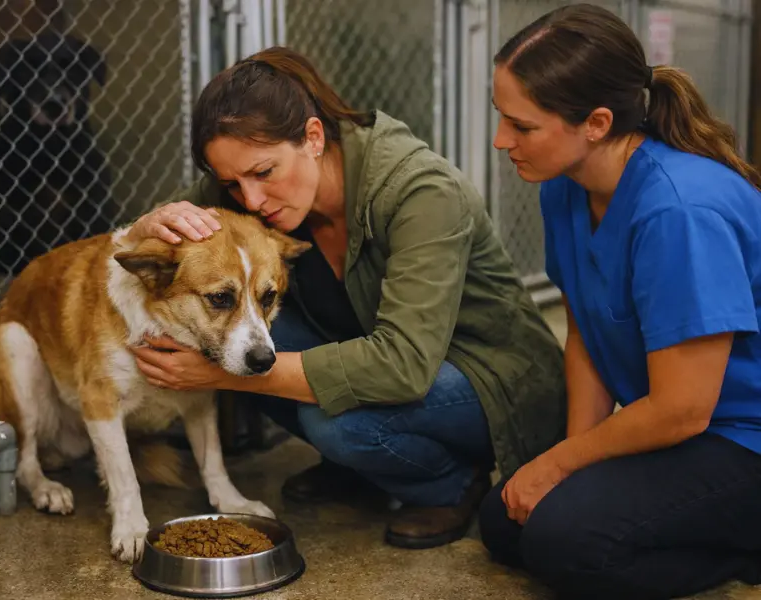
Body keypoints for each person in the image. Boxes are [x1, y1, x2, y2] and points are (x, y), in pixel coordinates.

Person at [125, 46, 567, 549]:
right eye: (230, 183)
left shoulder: (420, 191)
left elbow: (402, 365)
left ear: (313, 137)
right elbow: (161, 249)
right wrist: (147, 224)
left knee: (333, 420)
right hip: (400, 361)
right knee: (228, 331)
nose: (248, 201)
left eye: (263, 173)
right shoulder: (252, 188)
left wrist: (221, 373)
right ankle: (365, 471)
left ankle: (448, 484)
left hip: (491, 376)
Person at [478, 3, 761, 599]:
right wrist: (574, 456)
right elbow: (584, 325)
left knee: (564, 541)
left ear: (597, 123)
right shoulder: (565, 185)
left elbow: (684, 409)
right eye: (502, 117)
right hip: (686, 428)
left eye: (522, 126)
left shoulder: (678, 211)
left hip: (740, 437)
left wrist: (559, 468)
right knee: (506, 522)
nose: (501, 140)